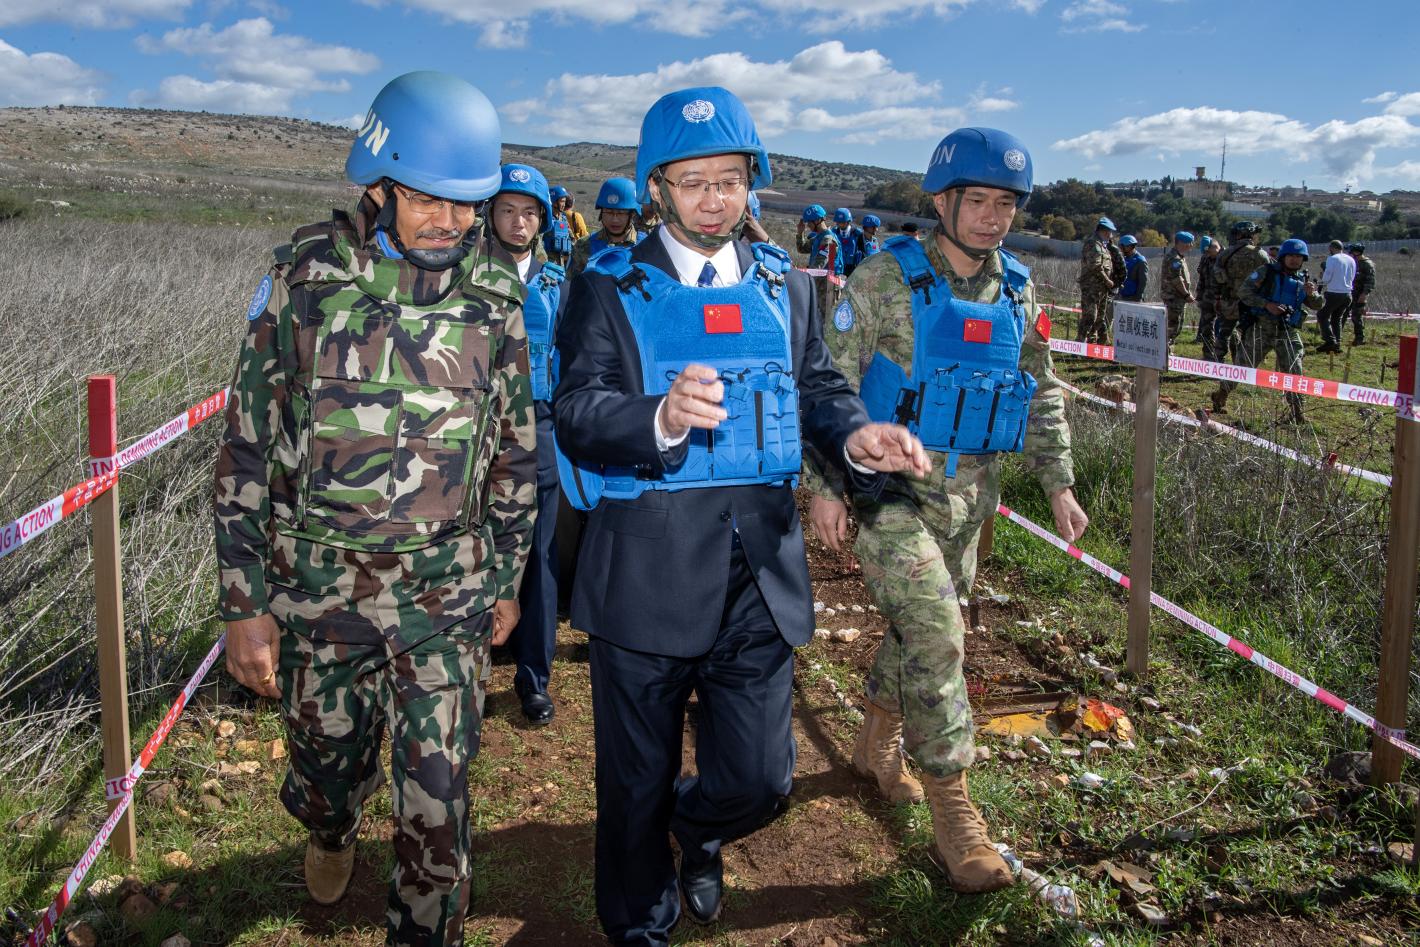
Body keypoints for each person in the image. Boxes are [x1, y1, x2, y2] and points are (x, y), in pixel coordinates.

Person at [552, 85, 929, 945]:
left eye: (730, 179)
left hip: (758, 569)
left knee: (762, 778)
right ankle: (639, 920)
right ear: (657, 189)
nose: (715, 198)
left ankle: (700, 825)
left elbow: (819, 389)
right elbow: (575, 405)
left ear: (750, 182)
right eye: (693, 182)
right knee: (633, 782)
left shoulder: (785, 286)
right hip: (646, 570)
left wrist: (857, 437)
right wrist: (658, 415)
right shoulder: (607, 284)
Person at [214, 71, 535, 945]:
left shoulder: (499, 302)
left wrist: (505, 576)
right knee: (326, 771)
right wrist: (245, 606)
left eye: (468, 203)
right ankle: (329, 821)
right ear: (380, 184)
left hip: (446, 597)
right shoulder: (304, 283)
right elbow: (245, 448)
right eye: (430, 198)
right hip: (321, 593)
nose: (452, 221)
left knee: (439, 801)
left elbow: (512, 454)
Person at [805, 126, 1086, 895]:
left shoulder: (1021, 288)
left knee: (920, 624)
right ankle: (955, 810)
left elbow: (1042, 387)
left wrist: (1058, 482)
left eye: (1007, 203)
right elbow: (830, 382)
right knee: (939, 627)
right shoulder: (883, 277)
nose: (993, 217)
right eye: (979, 200)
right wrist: (826, 485)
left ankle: (874, 738)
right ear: (941, 201)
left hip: (970, 498)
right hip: (887, 494)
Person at [490, 163, 566, 726]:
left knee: (538, 556)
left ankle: (533, 677)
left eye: (530, 213)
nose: (520, 222)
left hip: (540, 429)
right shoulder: (462, 276)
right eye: (509, 210)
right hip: (473, 434)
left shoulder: (558, 284)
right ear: (490, 214)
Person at [1209, 237, 1322, 423]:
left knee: (1295, 371)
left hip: (1287, 331)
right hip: (1262, 328)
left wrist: (1313, 294)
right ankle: (1221, 395)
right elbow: (1244, 292)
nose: (1295, 260)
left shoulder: (1302, 280)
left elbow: (1317, 305)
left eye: (1299, 257)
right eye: (1291, 256)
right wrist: (1267, 304)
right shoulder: (1266, 273)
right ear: (1284, 256)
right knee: (1242, 368)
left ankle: (1297, 413)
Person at [1208, 220, 1270, 388]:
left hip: (1229, 301)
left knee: (1224, 333)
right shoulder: (1260, 255)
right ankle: (1242, 369)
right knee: (1248, 336)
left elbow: (1217, 279)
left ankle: (1217, 365)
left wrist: (1217, 298)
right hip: (1251, 304)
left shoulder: (1225, 254)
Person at [568, 176, 643, 279]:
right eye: (609, 212)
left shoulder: (645, 245)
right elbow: (571, 288)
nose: (614, 219)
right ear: (601, 213)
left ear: (633, 214)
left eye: (621, 213)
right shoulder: (583, 246)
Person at [796, 203, 842, 318]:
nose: (808, 226)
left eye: (809, 223)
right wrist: (800, 233)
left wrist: (800, 272)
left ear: (817, 220)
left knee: (827, 320)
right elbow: (802, 248)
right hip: (819, 283)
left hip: (828, 286)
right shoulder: (819, 237)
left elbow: (818, 266)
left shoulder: (828, 240)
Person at [1077, 216, 1118, 343]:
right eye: (1110, 232)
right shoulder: (1093, 244)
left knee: (1099, 318)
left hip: (1102, 289)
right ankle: (1080, 343)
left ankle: (1091, 345)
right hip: (1091, 287)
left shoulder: (1103, 245)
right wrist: (1107, 280)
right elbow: (1095, 266)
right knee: (1090, 316)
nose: (1111, 235)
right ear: (1104, 231)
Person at [1316, 238, 1355, 353]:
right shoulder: (1351, 259)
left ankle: (1330, 341)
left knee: (1322, 315)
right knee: (1336, 319)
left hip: (1334, 293)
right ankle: (1337, 343)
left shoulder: (1332, 259)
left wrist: (1321, 280)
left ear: (1331, 248)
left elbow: (1327, 277)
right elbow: (1352, 277)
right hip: (1348, 294)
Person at [1160, 231, 1196, 343]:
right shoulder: (1174, 258)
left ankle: (1168, 350)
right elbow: (1177, 279)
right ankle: (1166, 353)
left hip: (1177, 299)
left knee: (1176, 327)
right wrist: (1186, 294)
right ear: (1182, 243)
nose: (1191, 246)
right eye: (1189, 243)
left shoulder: (1178, 257)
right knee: (1172, 327)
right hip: (1173, 299)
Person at [1195, 235, 1221, 349]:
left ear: (1215, 247)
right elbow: (1202, 278)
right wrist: (1199, 296)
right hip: (1207, 298)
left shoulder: (1225, 258)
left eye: (1209, 252)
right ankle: (1208, 354)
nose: (1207, 255)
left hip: (1222, 299)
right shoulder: (1206, 258)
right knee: (1206, 327)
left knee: (1226, 329)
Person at [1347, 243, 1375, 345]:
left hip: (1360, 294)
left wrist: (1364, 294)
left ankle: (1359, 338)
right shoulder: (1353, 262)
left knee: (1356, 316)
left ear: (1357, 252)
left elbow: (1370, 282)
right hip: (1350, 293)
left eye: (1351, 252)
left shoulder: (1367, 264)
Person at [545, 185, 575, 266]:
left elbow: (571, 237)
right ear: (554, 201)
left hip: (561, 261)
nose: (564, 204)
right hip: (547, 261)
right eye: (562, 201)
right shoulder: (545, 218)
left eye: (565, 201)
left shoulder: (563, 218)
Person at [831, 207, 865, 276]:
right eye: (838, 222)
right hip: (837, 268)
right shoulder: (833, 233)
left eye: (842, 222)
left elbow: (863, 252)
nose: (839, 224)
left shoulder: (858, 234)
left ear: (848, 221)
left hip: (853, 269)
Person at [1117, 234, 1148, 302]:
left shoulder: (1140, 260)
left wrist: (1137, 299)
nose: (1121, 249)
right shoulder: (1124, 259)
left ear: (1129, 246)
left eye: (1122, 247)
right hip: (1122, 296)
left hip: (1133, 298)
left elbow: (1142, 282)